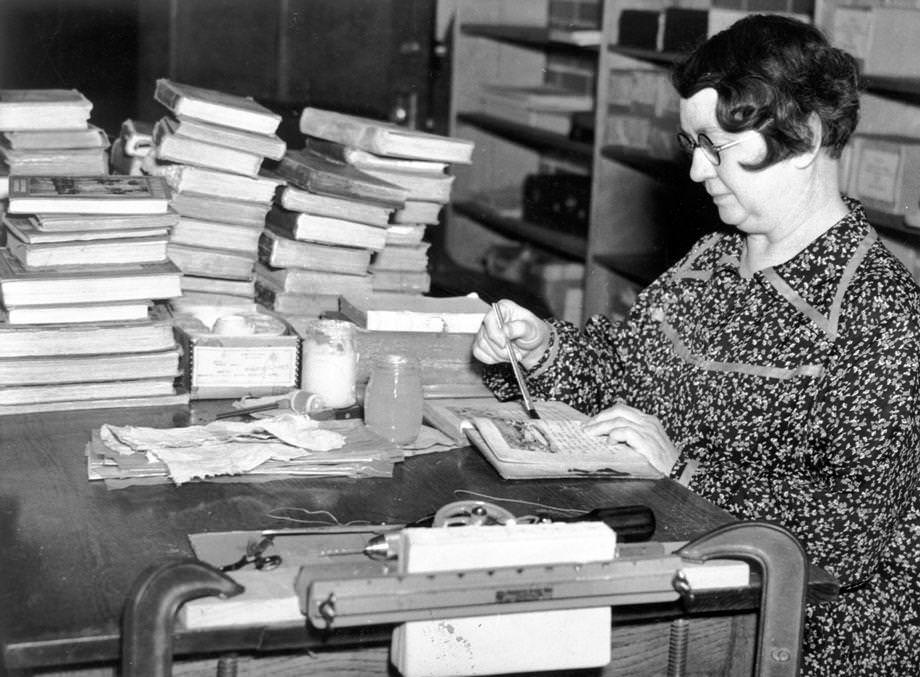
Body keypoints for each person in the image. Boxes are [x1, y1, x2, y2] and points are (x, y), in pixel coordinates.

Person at [472, 14, 920, 676]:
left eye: (716, 147)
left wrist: (685, 467)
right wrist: (539, 349)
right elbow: (623, 372)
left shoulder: (882, 314)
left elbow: (845, 534)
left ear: (805, 139)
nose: (694, 170)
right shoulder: (712, 259)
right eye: (691, 144)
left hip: (810, 635)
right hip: (694, 579)